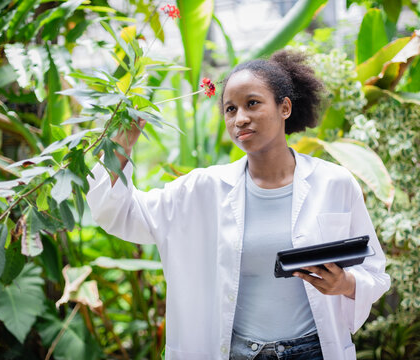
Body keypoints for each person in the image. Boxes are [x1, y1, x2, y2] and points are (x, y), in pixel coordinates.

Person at [87, 50, 390, 360]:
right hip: (237, 353)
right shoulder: (201, 190)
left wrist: (345, 283)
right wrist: (121, 143)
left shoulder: (334, 183)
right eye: (230, 109)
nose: (240, 118)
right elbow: (119, 212)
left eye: (252, 103)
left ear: (284, 107)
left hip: (314, 351)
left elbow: (375, 272)